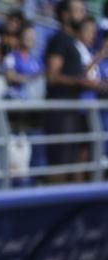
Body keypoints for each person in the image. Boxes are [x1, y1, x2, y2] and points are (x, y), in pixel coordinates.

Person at [43, 0, 100, 181]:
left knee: (71, 163)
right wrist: (81, 82)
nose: (82, 14)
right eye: (78, 10)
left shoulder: (72, 42)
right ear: (65, 15)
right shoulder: (60, 39)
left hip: (72, 110)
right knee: (59, 165)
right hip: (60, 112)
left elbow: (77, 73)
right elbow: (52, 76)